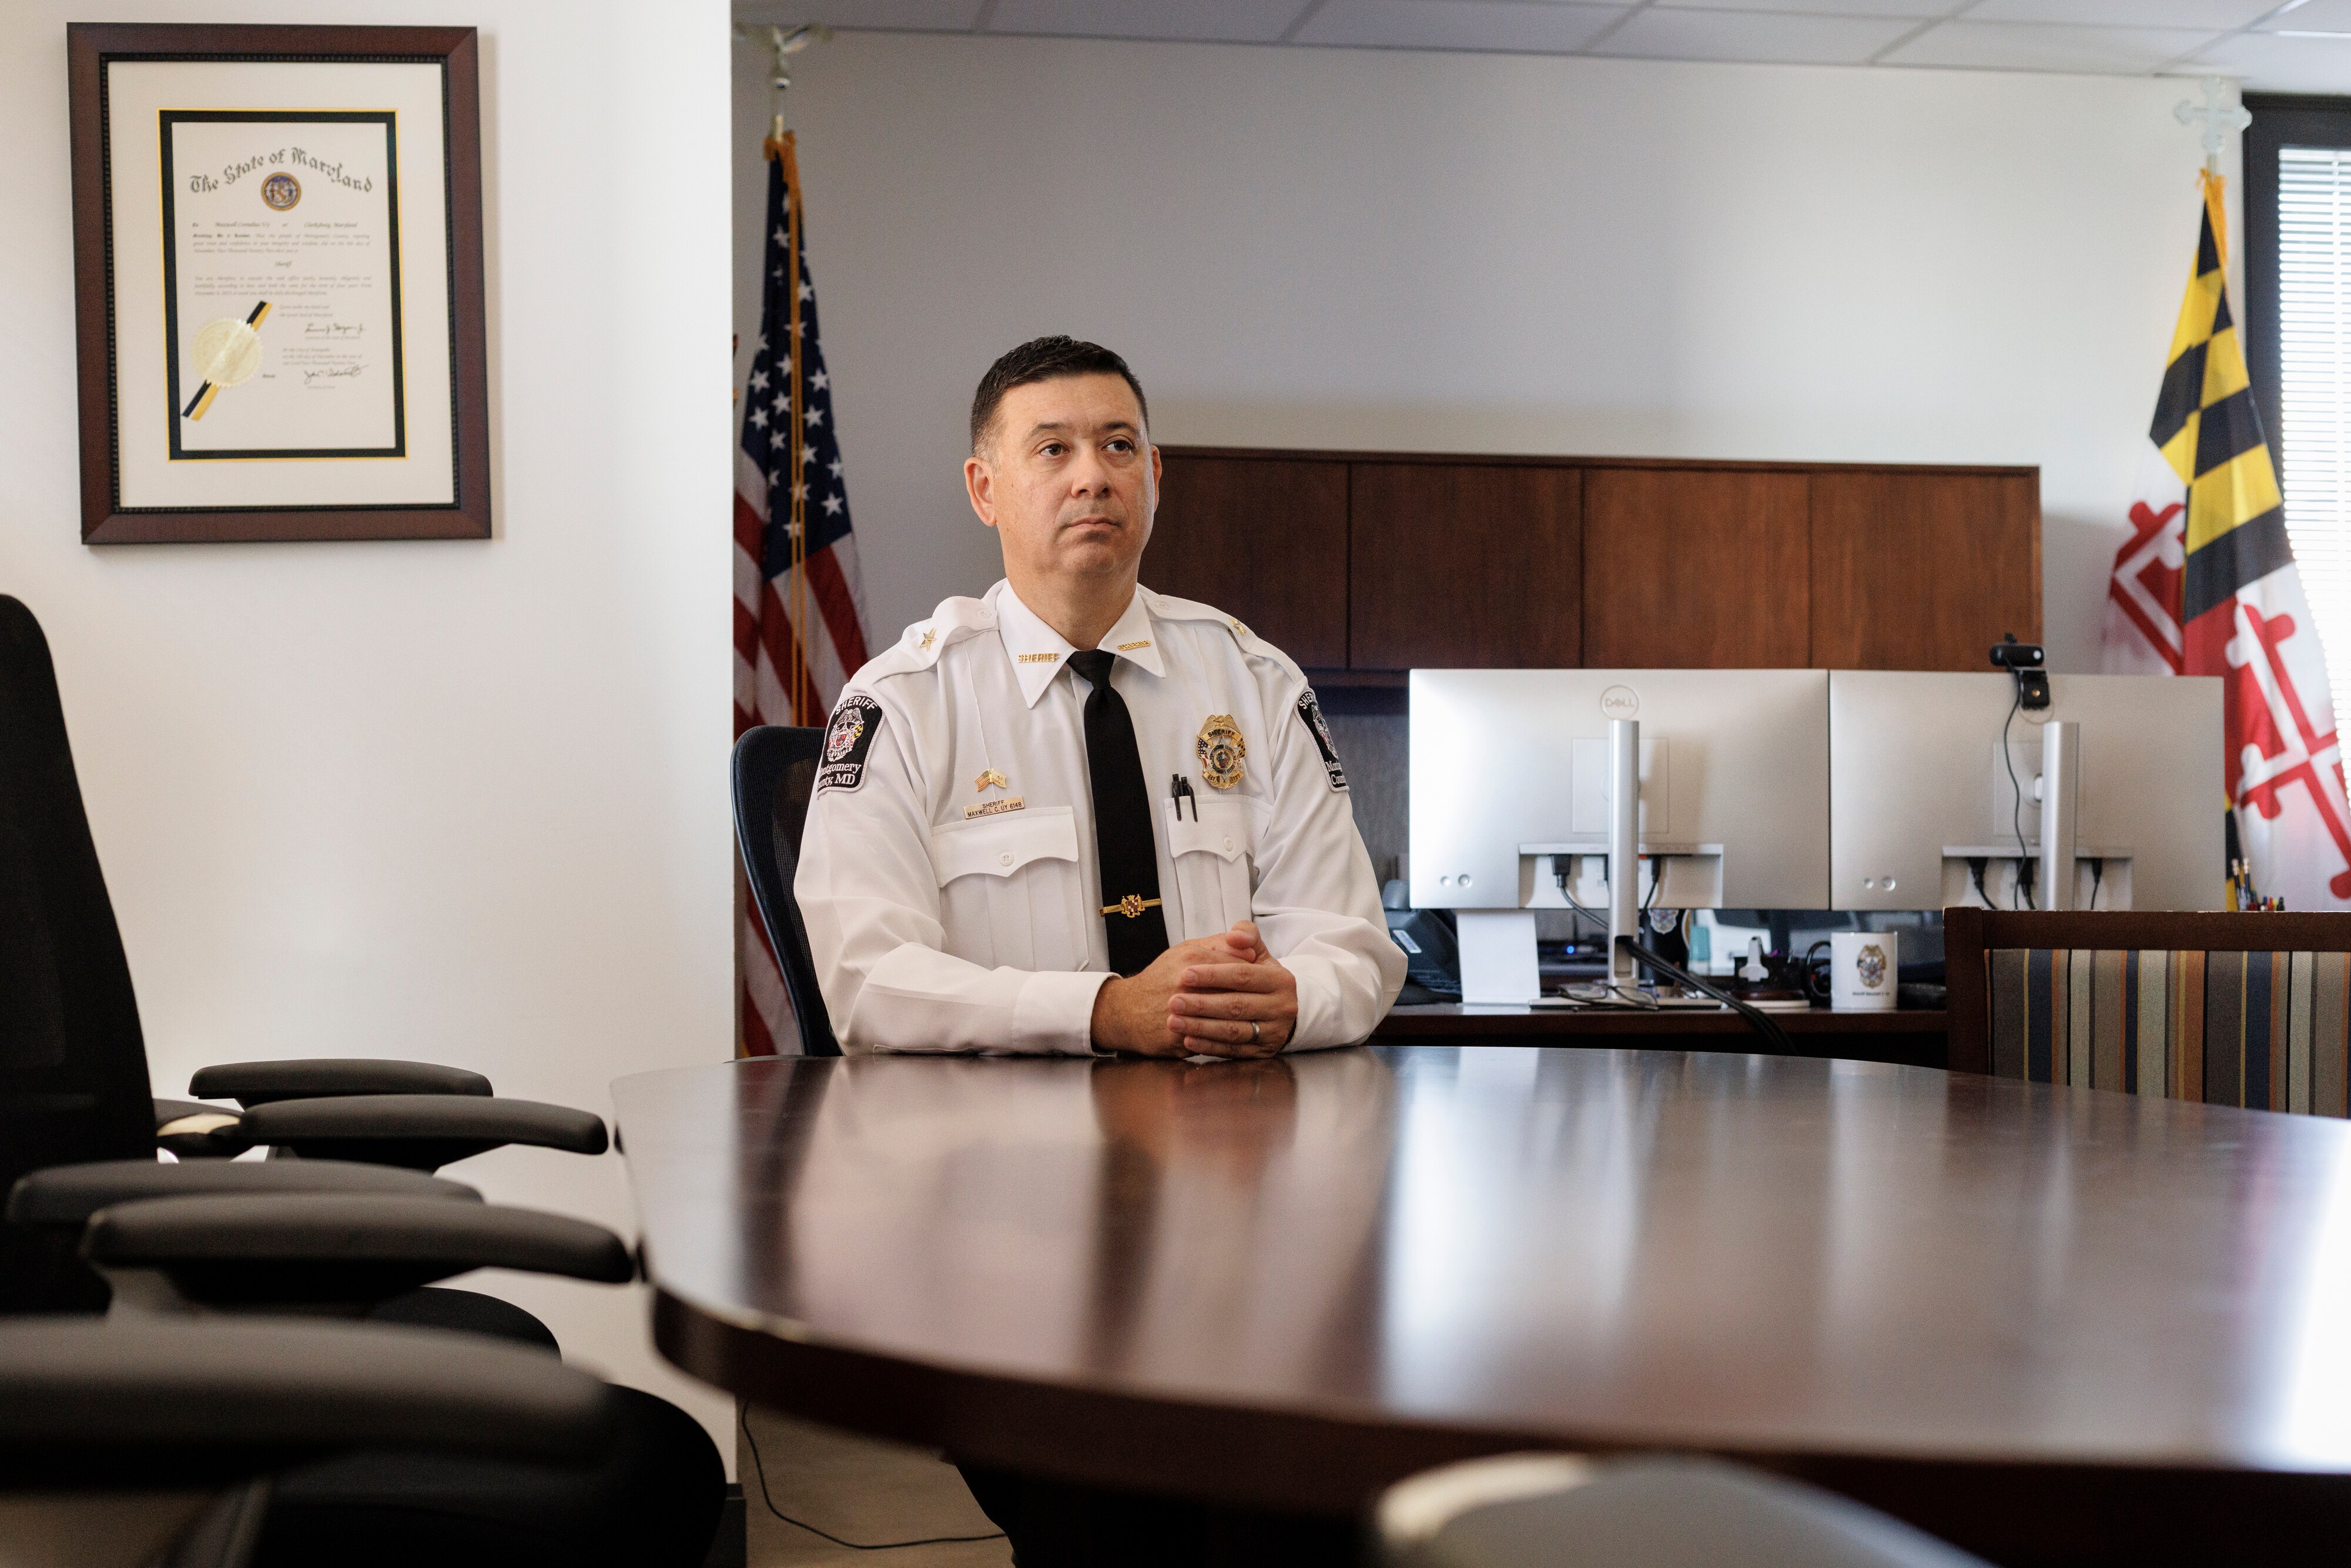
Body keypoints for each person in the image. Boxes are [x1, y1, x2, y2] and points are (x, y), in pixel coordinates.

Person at [794, 336, 1403, 1060]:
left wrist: (1298, 998)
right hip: (998, 1147)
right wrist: (1103, 1012)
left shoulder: (1258, 685)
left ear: (1152, 474)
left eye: (1118, 446)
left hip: (1227, 1139)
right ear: (984, 489)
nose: (1092, 476)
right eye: (1053, 450)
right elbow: (869, 982)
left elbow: (1351, 945)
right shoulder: (904, 706)